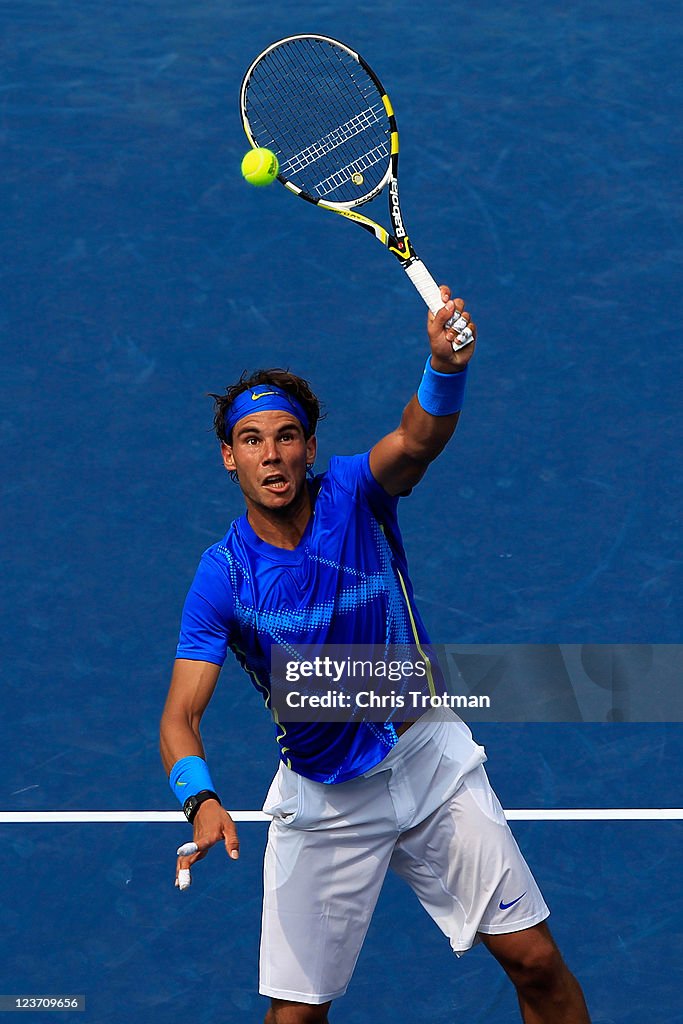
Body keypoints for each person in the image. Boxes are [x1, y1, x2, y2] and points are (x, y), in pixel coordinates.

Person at [159, 289, 591, 1024]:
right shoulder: (222, 577)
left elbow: (416, 440)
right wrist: (200, 801)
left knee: (536, 963)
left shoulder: (356, 495)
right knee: (296, 1016)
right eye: (253, 439)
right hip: (325, 798)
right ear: (229, 456)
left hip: (428, 760)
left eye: (288, 435)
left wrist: (442, 366)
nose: (273, 453)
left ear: (309, 448)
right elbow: (179, 719)